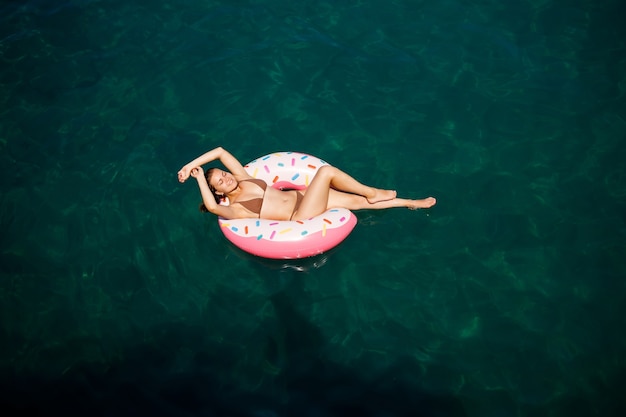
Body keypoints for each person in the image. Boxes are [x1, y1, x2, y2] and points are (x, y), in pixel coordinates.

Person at [177, 147, 436, 221]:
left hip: (303, 197)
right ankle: (373, 191)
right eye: (221, 181)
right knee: (325, 173)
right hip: (300, 214)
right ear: (217, 191)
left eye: (223, 174)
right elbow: (211, 208)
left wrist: (189, 166)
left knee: (359, 203)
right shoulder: (236, 210)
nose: (227, 177)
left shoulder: (244, 178)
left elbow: (221, 151)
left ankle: (411, 203)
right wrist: (199, 178)